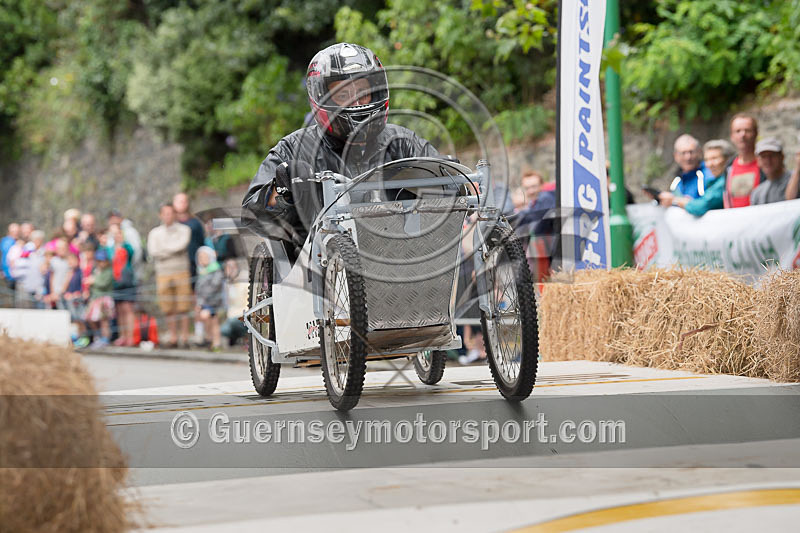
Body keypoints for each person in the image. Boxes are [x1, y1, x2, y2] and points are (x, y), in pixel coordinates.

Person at [242, 42, 439, 247]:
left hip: (400, 254)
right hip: (316, 263)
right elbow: (251, 214)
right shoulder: (293, 148)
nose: (356, 104)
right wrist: (282, 191)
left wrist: (448, 181)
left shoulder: (403, 142)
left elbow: (453, 183)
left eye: (363, 93)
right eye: (343, 95)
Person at [147, 203, 192, 348]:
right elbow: (153, 251)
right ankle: (173, 337)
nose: (168, 216)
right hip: (163, 272)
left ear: (175, 214)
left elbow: (182, 245)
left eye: (170, 213)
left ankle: (184, 337)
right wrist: (171, 250)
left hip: (181, 270)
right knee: (168, 306)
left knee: (183, 306)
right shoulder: (155, 233)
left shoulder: (184, 229)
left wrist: (164, 251)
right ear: (160, 215)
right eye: (165, 213)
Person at [658, 139, 735, 216]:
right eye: (707, 160)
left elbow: (703, 205)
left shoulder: (720, 179)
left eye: (714, 158)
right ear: (676, 156)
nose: (709, 164)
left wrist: (675, 200)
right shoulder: (677, 178)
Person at [724, 113, 762, 208]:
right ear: (732, 136)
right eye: (738, 131)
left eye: (747, 130)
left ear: (756, 133)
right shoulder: (729, 167)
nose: (743, 135)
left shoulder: (765, 164)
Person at [108, 223, 137, 346]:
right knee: (119, 310)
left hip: (127, 281)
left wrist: (122, 243)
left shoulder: (126, 247)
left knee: (127, 309)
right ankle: (122, 336)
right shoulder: (110, 249)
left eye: (118, 233)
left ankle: (131, 336)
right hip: (115, 282)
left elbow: (131, 254)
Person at [194, 246, 226, 351]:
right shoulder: (201, 272)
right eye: (200, 257)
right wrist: (199, 303)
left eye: (204, 257)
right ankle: (209, 339)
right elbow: (198, 290)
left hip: (214, 303)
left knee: (212, 321)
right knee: (203, 318)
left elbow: (214, 287)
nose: (202, 259)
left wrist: (203, 303)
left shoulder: (216, 270)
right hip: (204, 303)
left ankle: (216, 342)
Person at [84, 248, 115, 348]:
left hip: (104, 299)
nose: (101, 263)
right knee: (90, 318)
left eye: (103, 261)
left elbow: (103, 283)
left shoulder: (109, 271)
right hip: (95, 298)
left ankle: (105, 339)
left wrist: (93, 281)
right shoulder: (96, 270)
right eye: (99, 261)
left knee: (104, 321)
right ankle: (98, 336)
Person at [666, 134, 713, 199]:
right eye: (683, 153)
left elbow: (710, 202)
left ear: (699, 152)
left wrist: (688, 203)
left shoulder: (709, 172)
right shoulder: (677, 180)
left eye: (691, 152)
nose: (688, 157)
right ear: (676, 156)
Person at [172, 192, 205, 282]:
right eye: (179, 201)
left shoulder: (195, 222)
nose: (182, 203)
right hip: (175, 264)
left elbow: (201, 241)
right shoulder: (171, 224)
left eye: (184, 201)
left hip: (193, 262)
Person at [750, 137, 792, 205]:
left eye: (772, 155)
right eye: (763, 156)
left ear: (782, 156)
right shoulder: (757, 194)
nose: (768, 160)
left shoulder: (796, 179)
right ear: (758, 161)